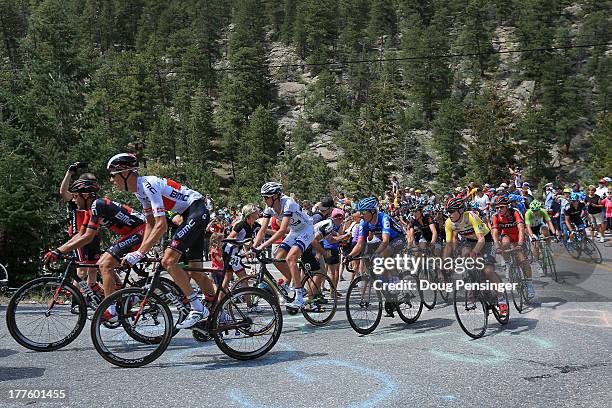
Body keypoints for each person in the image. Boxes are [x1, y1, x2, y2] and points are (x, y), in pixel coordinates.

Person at [106, 153, 214, 329]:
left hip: (195, 210)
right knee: (197, 272)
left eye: (113, 175)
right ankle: (221, 313)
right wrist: (139, 251)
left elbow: (162, 225)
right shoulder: (138, 191)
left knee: (169, 260)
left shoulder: (148, 185)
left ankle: (197, 308)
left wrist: (139, 253)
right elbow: (150, 224)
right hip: (189, 213)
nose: (111, 180)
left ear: (125, 173)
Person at [44, 180, 147, 320]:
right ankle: (128, 297)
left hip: (142, 230)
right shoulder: (90, 209)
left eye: (75, 196)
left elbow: (88, 237)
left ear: (85, 195)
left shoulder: (98, 205)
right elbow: (80, 235)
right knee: (104, 262)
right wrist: (57, 250)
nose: (74, 200)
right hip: (132, 232)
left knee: (104, 263)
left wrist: (60, 252)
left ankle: (110, 310)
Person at [254, 182, 314, 311]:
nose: (264, 200)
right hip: (295, 231)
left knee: (291, 258)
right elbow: (263, 229)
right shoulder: (269, 207)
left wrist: (262, 246)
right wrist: (254, 246)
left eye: (266, 197)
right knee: (277, 257)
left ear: (275, 196)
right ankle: (296, 283)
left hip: (306, 229)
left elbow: (281, 231)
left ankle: (298, 298)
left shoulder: (288, 203)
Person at [442, 197, 507, 315]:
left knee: (488, 271)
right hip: (469, 241)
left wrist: (475, 252)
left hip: (486, 241)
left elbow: (481, 240)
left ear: (460, 210)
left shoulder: (471, 216)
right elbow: (448, 245)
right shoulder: (448, 223)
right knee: (465, 255)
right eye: (447, 212)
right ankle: (474, 282)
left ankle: (502, 299)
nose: (449, 214)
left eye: (451, 211)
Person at [59, 163, 101, 288]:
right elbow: (63, 192)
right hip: (78, 235)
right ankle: (75, 301)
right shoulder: (76, 197)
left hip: (93, 235)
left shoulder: (95, 200)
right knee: (82, 271)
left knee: (93, 269)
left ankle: (89, 298)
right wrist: (70, 172)